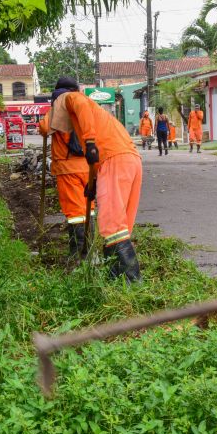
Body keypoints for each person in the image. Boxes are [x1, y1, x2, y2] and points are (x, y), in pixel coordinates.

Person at [50, 77, 143, 282]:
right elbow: (94, 161)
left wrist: (90, 142)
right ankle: (115, 277)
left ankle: (132, 280)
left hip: (114, 160)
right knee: (121, 224)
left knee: (111, 223)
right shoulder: (96, 115)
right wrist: (92, 185)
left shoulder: (71, 98)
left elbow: (79, 103)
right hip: (130, 159)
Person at [39, 109, 93, 257]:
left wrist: (52, 110)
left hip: (68, 169)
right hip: (89, 167)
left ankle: (78, 254)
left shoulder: (58, 111)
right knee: (88, 208)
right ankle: (90, 249)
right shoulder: (85, 110)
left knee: (75, 212)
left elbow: (44, 129)